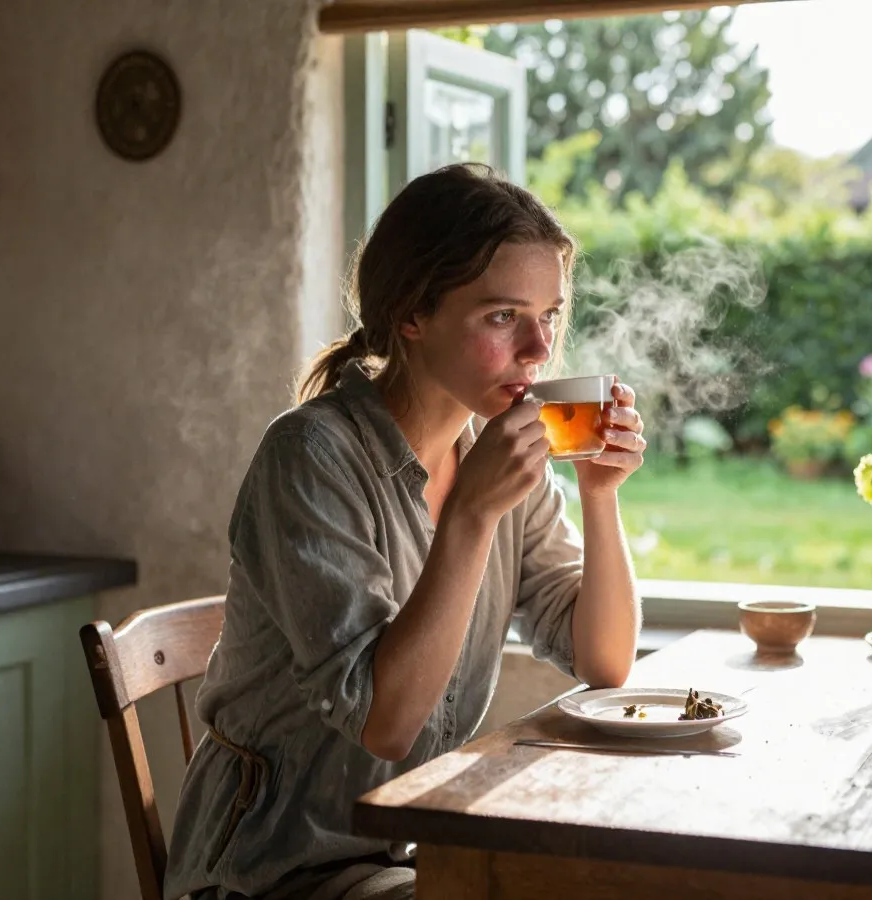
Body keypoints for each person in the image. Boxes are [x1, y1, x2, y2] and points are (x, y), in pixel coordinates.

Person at [163, 163, 646, 900]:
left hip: (404, 854)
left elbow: (605, 661)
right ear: (412, 314)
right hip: (269, 872)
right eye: (502, 316)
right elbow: (385, 724)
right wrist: (472, 514)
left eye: (549, 314)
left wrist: (599, 493)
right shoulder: (311, 457)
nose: (540, 349)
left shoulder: (496, 459)